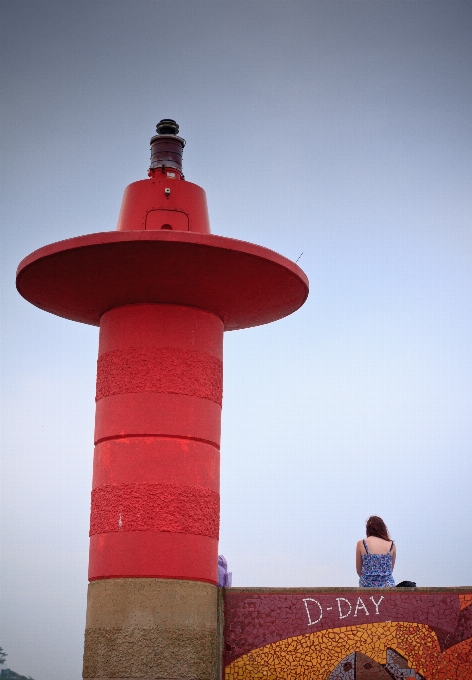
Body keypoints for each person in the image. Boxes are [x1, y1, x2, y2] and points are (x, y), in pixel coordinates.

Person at [356, 516, 396, 587]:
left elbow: (359, 570)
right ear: (383, 528)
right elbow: (390, 569)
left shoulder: (361, 543)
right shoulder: (392, 545)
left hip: (367, 585)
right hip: (387, 586)